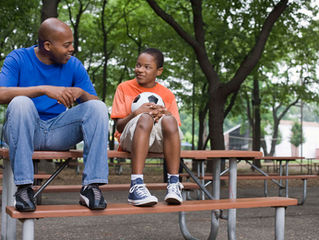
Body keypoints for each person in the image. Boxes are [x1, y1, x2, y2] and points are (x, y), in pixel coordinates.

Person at [0, 18, 108, 212]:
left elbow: (94, 107)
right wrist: (43, 89)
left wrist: (82, 94)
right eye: (66, 45)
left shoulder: (73, 65)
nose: (72, 49)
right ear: (48, 45)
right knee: (21, 103)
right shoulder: (17, 58)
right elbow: (1, 94)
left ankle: (91, 187)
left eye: (72, 43)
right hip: (24, 130)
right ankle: (23, 189)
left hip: (58, 131)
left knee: (97, 107)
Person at [111, 48, 184, 206]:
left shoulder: (167, 94)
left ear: (159, 71)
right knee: (145, 118)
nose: (140, 70)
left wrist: (165, 114)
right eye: (138, 65)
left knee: (170, 120)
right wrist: (136, 113)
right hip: (131, 141)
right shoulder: (124, 88)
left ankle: (173, 183)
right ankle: (136, 185)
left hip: (159, 143)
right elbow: (120, 127)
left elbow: (174, 129)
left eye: (147, 67)